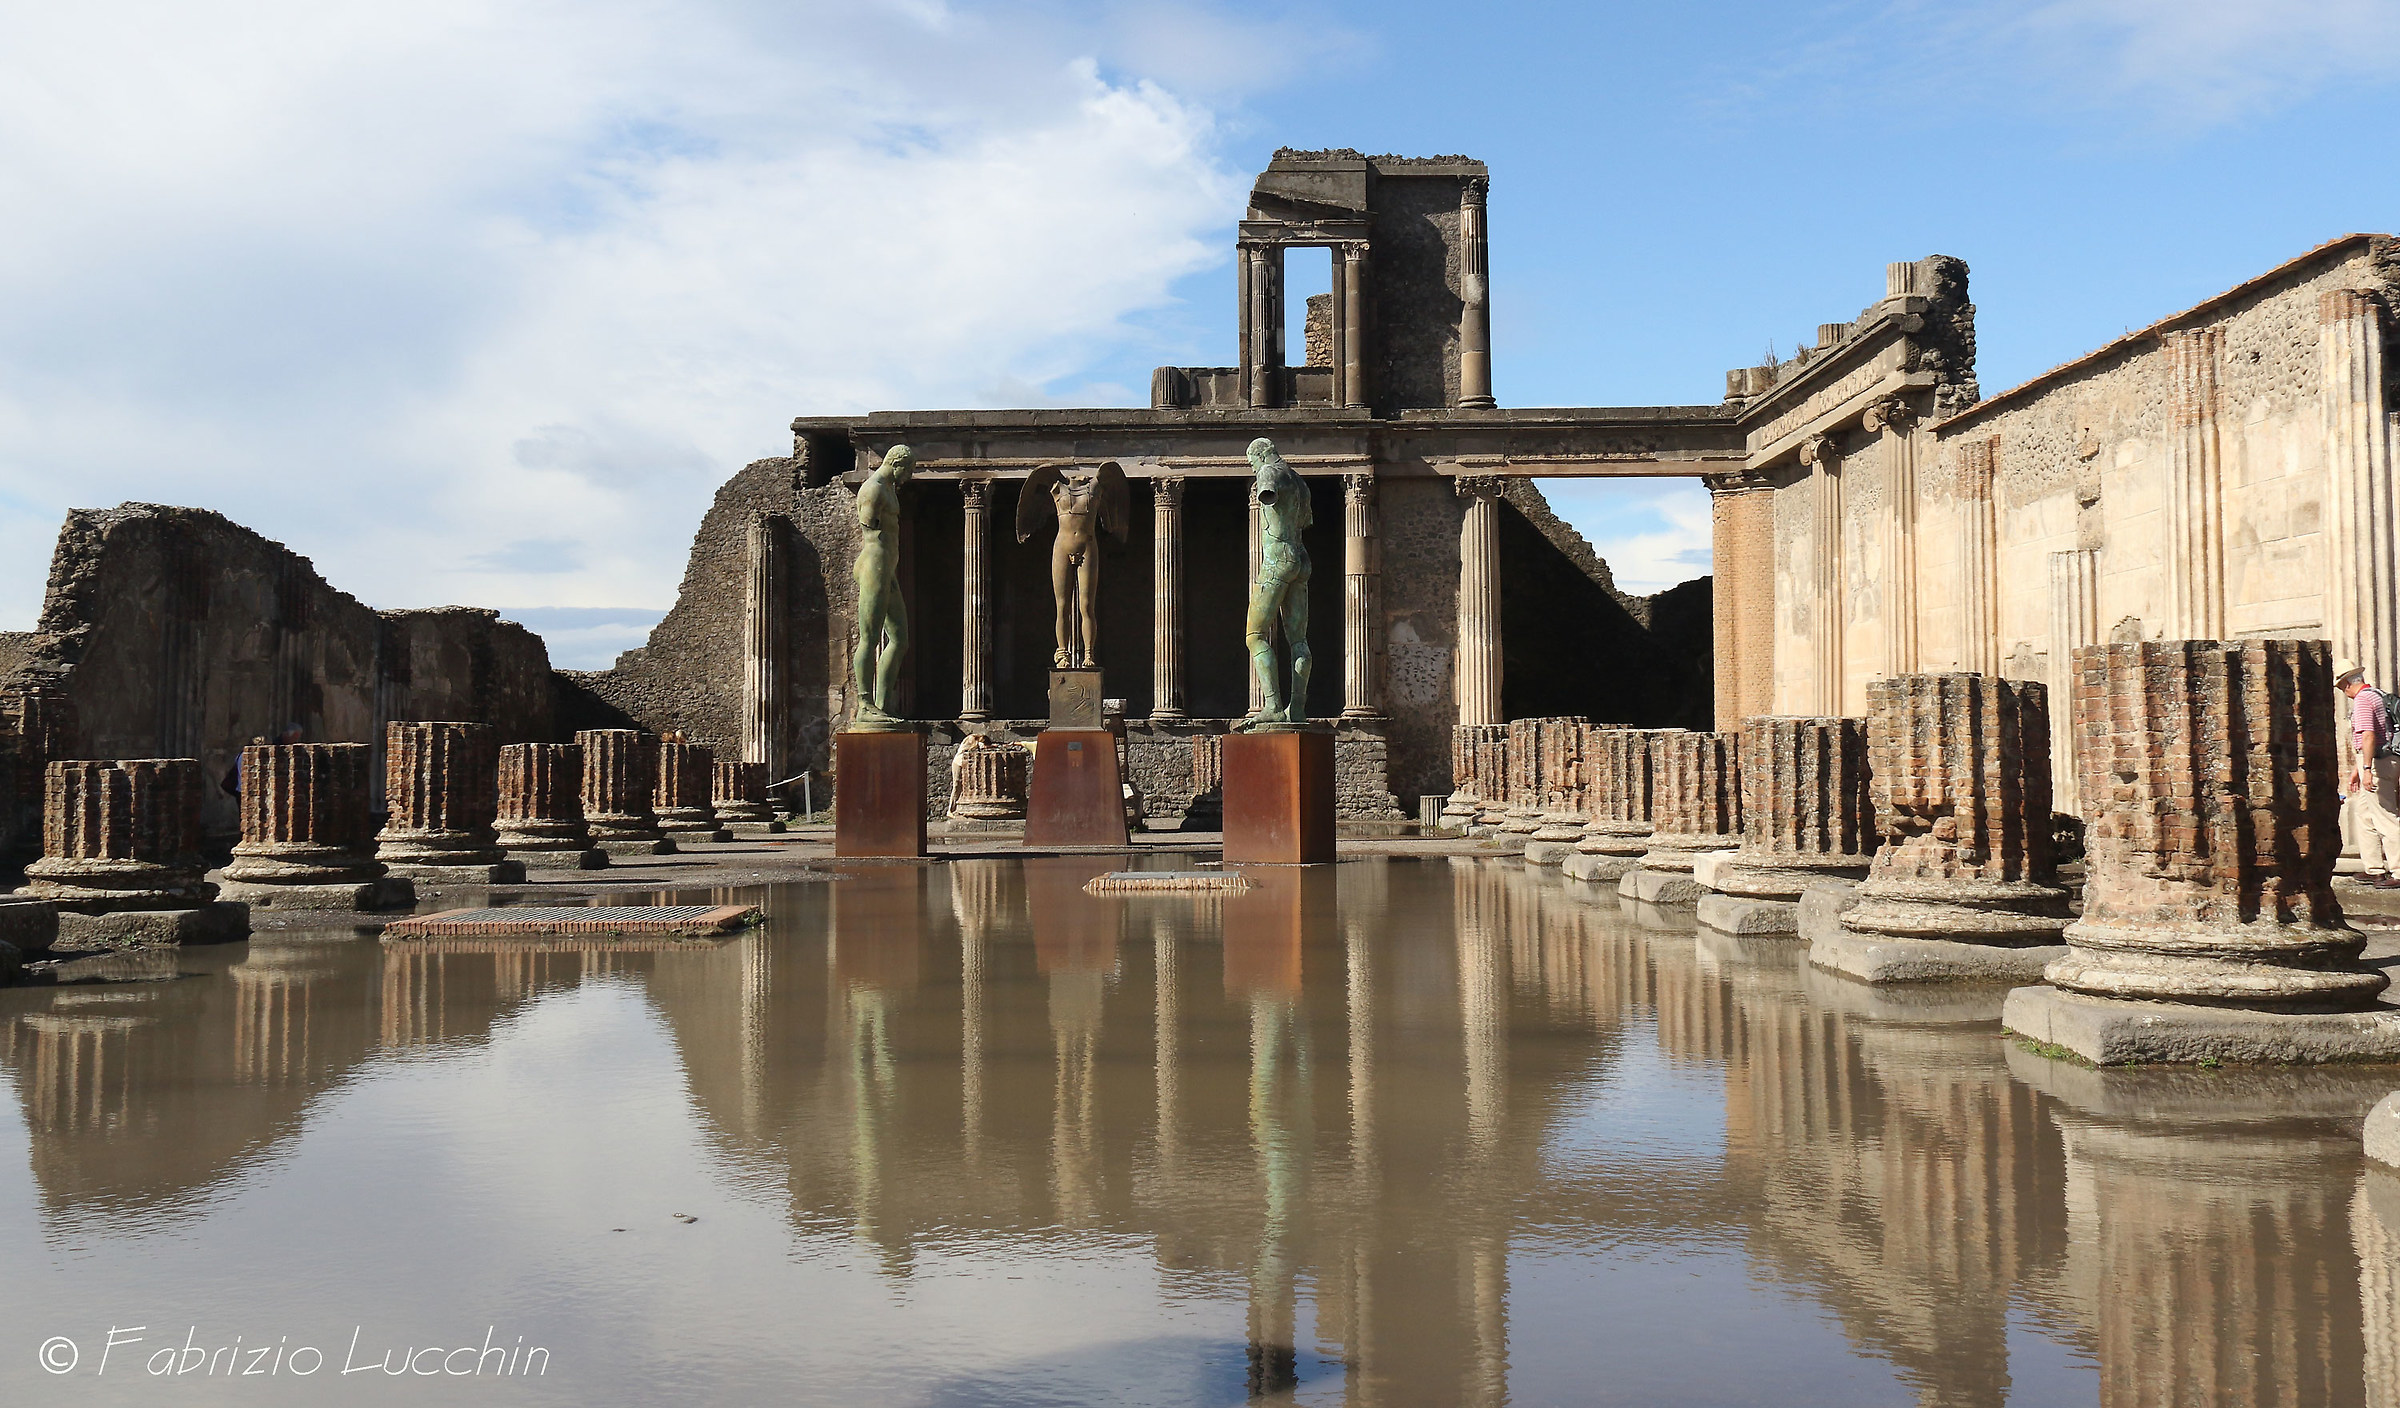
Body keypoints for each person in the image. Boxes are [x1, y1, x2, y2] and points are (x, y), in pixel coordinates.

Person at [2337, 658, 2400, 889]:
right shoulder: (2377, 694)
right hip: (2379, 759)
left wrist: (2365, 769)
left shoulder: (2363, 699)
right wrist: (2356, 769)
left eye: (2341, 686)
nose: (2343, 691)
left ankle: (2398, 870)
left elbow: (2369, 736)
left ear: (2347, 683)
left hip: (2377, 763)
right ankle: (2374, 869)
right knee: (2364, 815)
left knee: (2385, 815)